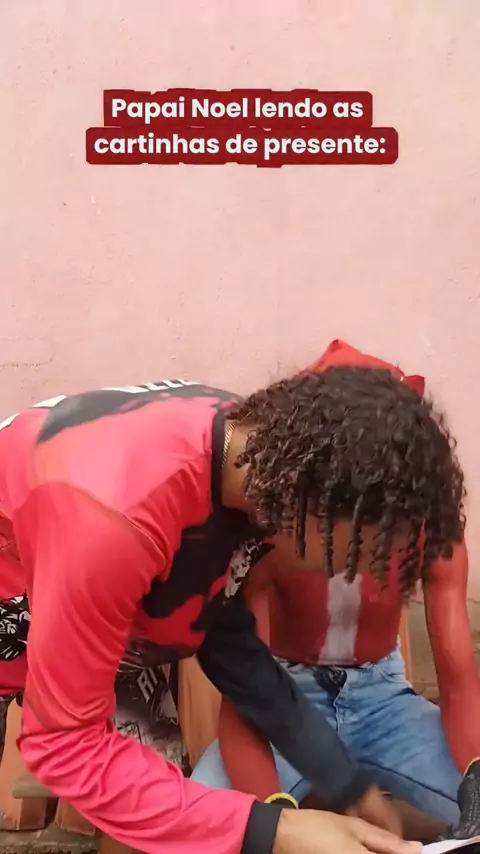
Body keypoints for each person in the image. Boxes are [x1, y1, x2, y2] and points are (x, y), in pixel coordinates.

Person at [0, 366, 462, 854]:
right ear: (320, 503)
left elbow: (222, 632)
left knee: (149, 811)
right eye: (358, 555)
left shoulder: (247, 454)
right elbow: (65, 744)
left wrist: (343, 780)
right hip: (32, 603)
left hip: (96, 604)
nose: (354, 574)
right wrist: (279, 831)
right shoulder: (115, 521)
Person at [191, 341, 479, 838]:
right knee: (205, 830)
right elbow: (249, 687)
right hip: (285, 700)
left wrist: (476, 775)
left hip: (385, 700)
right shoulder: (272, 526)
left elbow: (458, 680)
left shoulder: (429, 526)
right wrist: (274, 815)